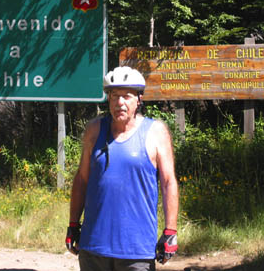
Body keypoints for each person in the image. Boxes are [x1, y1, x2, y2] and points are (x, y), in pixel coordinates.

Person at [66, 66, 179, 271]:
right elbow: (82, 179)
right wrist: (73, 224)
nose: (120, 103)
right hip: (93, 246)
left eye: (126, 96)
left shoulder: (155, 132)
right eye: (114, 96)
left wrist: (170, 231)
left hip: (136, 249)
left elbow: (169, 182)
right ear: (108, 99)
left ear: (139, 99)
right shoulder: (94, 130)